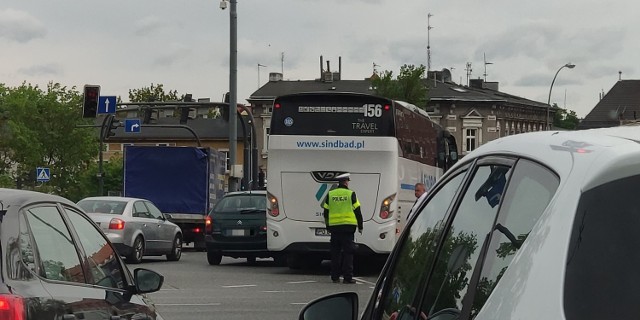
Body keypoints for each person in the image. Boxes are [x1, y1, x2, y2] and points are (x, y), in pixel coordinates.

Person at [323, 172, 363, 284]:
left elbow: (325, 212)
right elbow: (357, 211)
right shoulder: (351, 194)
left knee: (335, 253)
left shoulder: (331, 194)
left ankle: (335, 276)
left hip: (335, 228)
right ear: (346, 182)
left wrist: (328, 226)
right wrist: (360, 226)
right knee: (348, 253)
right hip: (348, 228)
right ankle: (347, 277)